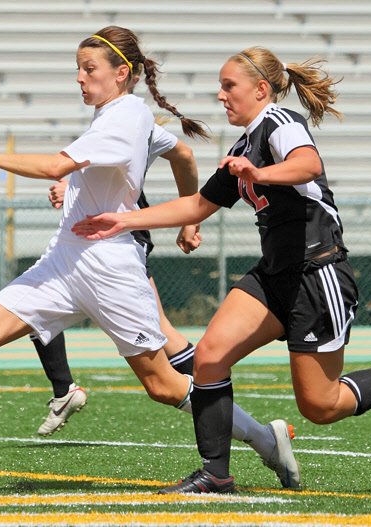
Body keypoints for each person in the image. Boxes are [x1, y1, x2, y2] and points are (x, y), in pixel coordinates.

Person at [71, 46, 371, 494]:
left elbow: (308, 163)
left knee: (321, 405)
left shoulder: (279, 123)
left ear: (261, 89)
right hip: (273, 275)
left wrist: (259, 173)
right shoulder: (242, 145)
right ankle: (216, 475)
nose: (220, 95)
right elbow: (197, 204)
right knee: (210, 356)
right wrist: (123, 219)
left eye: (228, 86)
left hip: (318, 272)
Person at [0, 25, 236, 478]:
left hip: (108, 266)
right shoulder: (122, 115)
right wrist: (187, 218)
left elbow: (53, 165)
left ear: (122, 73)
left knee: (163, 386)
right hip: (67, 260)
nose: (80, 79)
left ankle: (263, 436)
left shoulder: (124, 118)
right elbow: (181, 155)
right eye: (77, 70)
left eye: (89, 69)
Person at [34, 176, 301, 489]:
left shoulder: (136, 126)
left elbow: (179, 154)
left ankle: (256, 440)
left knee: (163, 383)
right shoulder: (113, 128)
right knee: (13, 320)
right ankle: (64, 388)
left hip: (113, 253)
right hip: (90, 249)